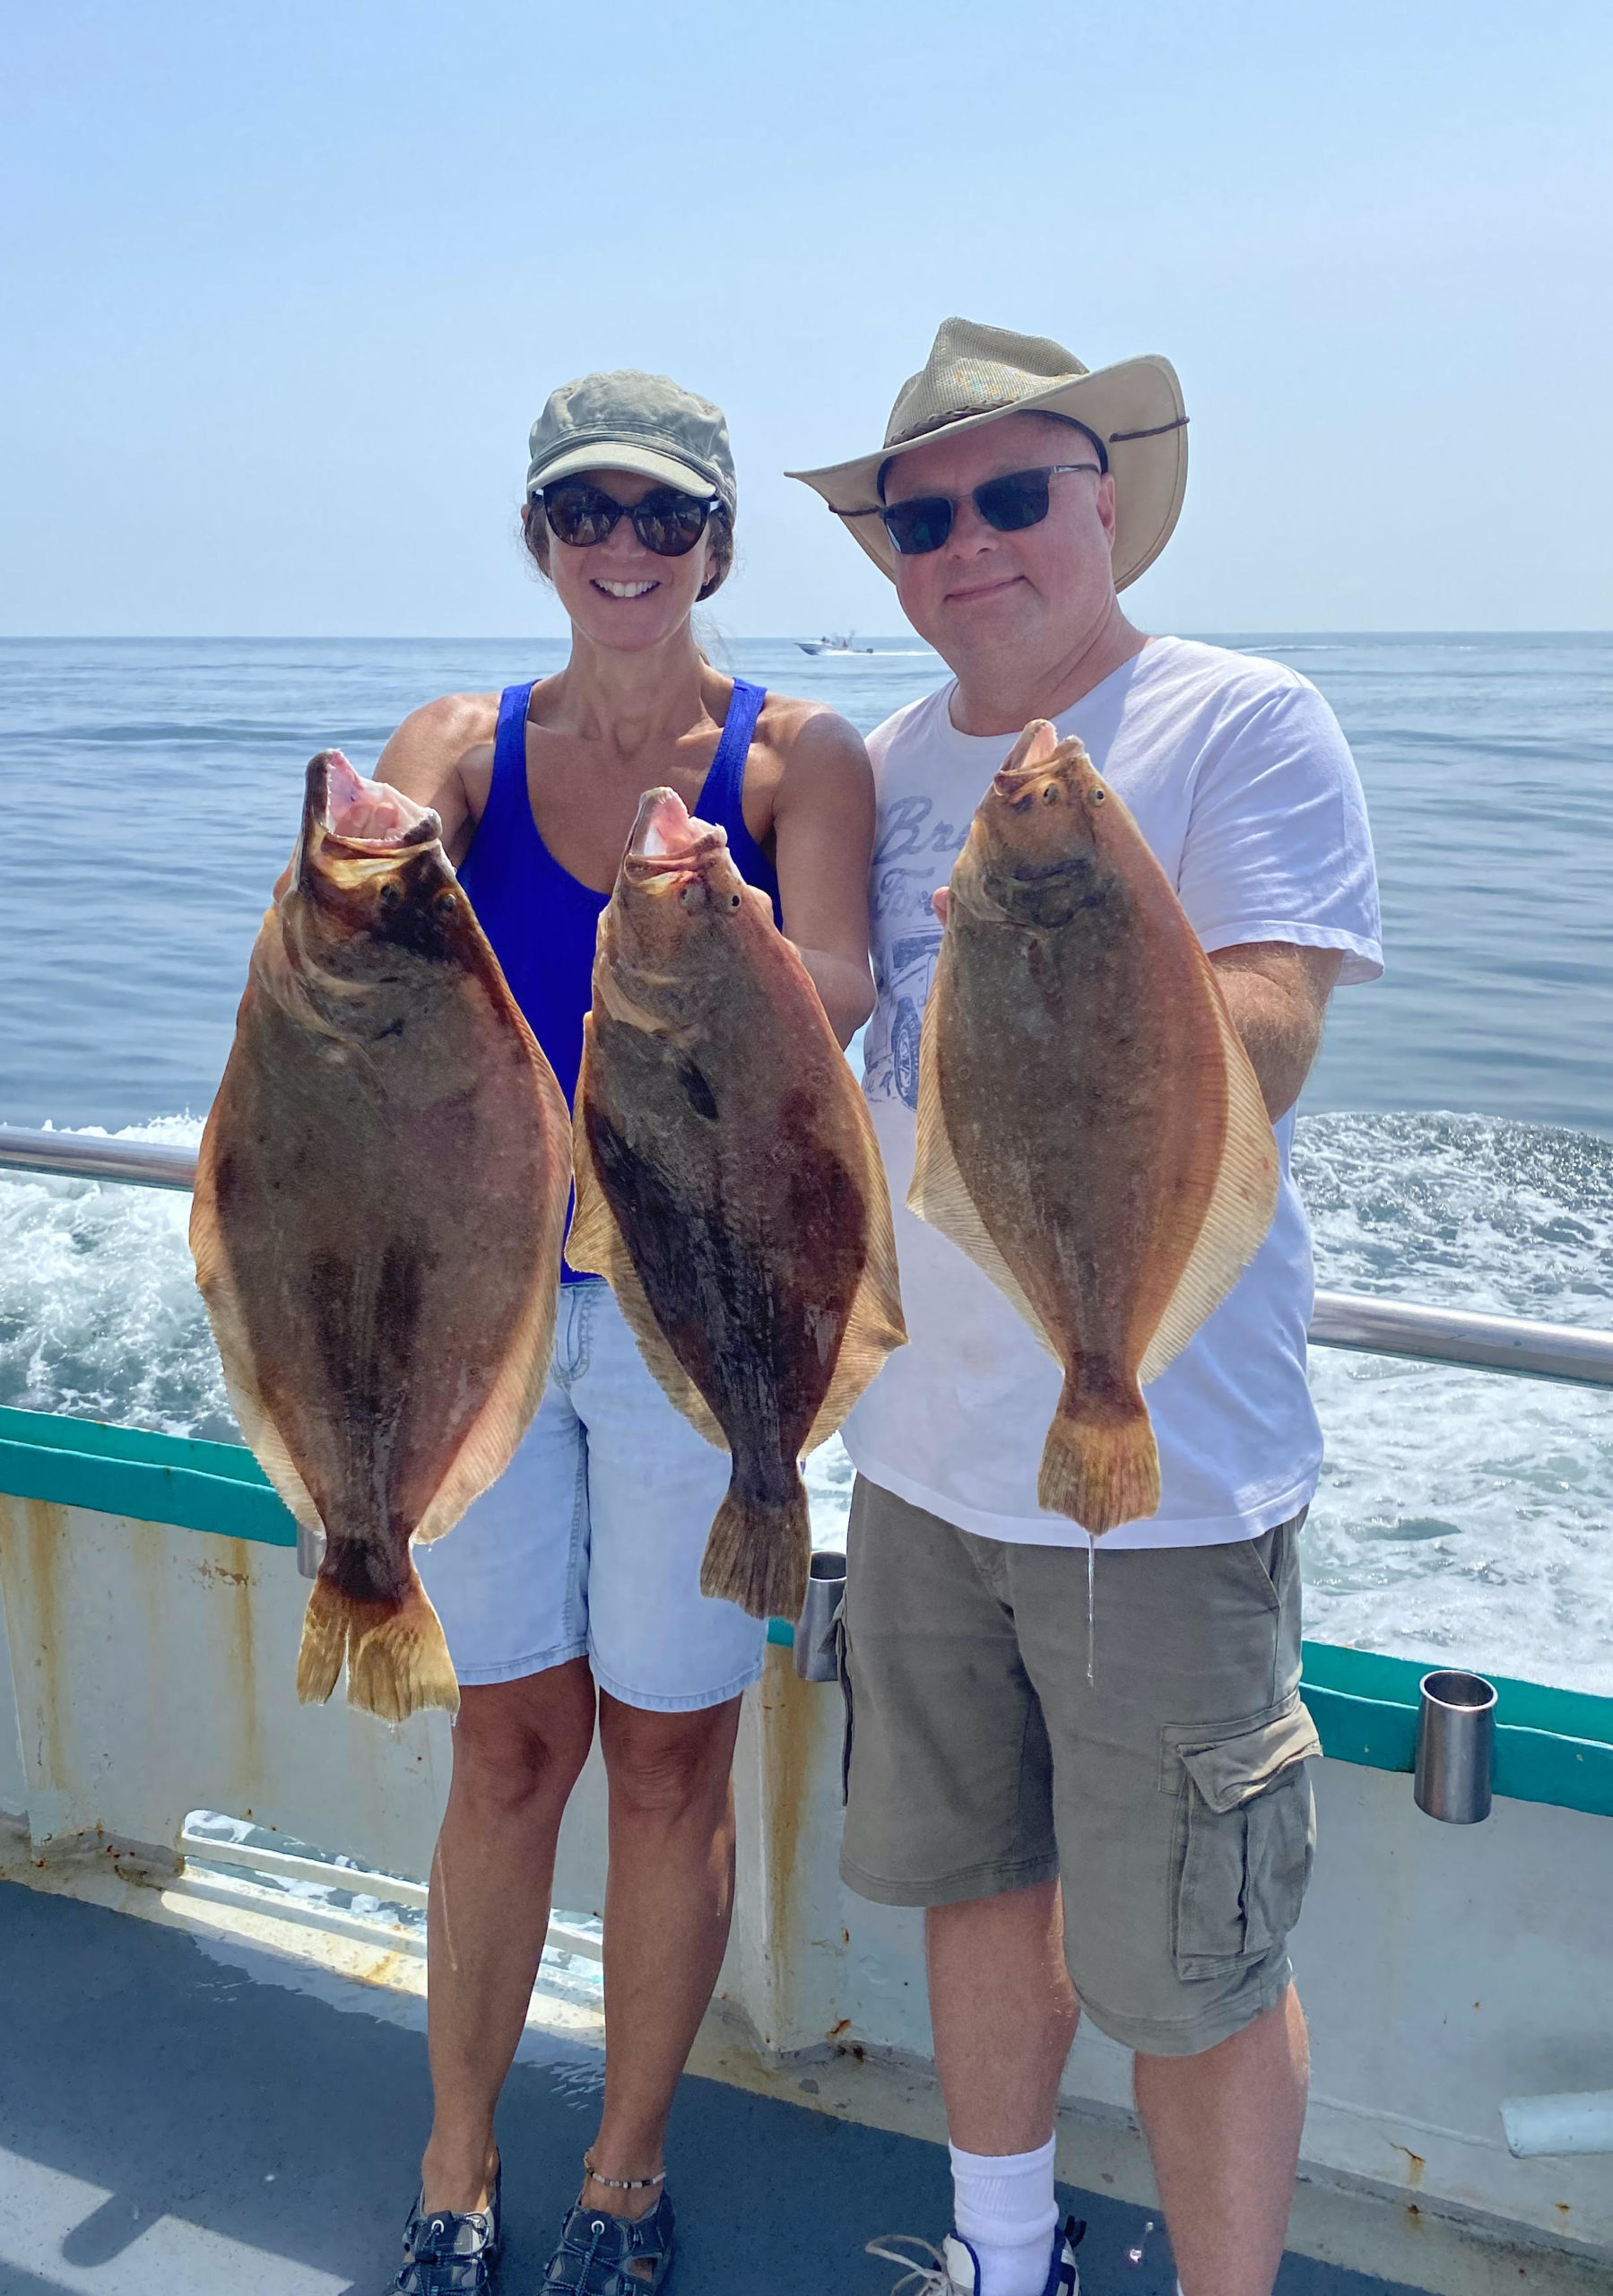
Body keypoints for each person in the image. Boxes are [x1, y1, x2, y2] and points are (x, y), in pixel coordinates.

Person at [788, 319, 1381, 2296]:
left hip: (1167, 1479)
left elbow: (1276, 1030)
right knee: (976, 1882)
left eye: (1017, 495)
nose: (969, 541)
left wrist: (1080, 940)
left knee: (1190, 1964)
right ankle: (1002, 2251)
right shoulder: (875, 765)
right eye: (924, 513)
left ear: (1103, 505)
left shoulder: (1242, 720)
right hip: (928, 1465)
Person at [376, 370, 876, 2295]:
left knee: (671, 1762)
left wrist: (715, 930)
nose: (622, 547)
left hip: (702, 1324)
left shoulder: (788, 755)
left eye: (663, 517)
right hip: (485, 1322)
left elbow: (832, 973)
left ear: (718, 547)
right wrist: (365, 863)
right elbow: (382, 884)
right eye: (584, 510)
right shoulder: (464, 738)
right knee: (509, 1749)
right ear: (539, 537)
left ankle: (626, 2173)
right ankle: (454, 2160)